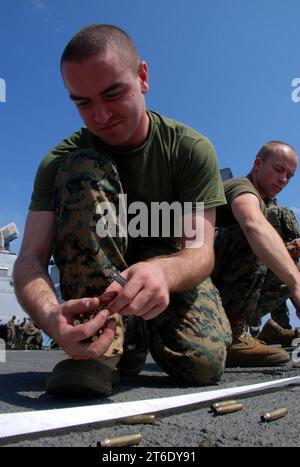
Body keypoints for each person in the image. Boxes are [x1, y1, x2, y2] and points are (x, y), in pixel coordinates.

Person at [13, 24, 232, 397]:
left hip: (168, 269)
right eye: (82, 102)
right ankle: (101, 345)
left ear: (143, 77)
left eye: (113, 94)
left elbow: (199, 251)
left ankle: (136, 334)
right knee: (82, 167)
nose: (100, 117)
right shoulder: (59, 161)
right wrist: (50, 316)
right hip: (102, 276)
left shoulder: (189, 149)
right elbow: (30, 259)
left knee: (201, 363)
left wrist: (164, 270)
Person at [212, 141, 300, 366]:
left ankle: (262, 329)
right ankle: (232, 336)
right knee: (259, 237)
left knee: (287, 263)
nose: (283, 180)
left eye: (289, 175)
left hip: (227, 285)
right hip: (198, 284)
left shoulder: (267, 200)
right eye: (279, 170)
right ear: (258, 164)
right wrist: (296, 284)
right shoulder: (242, 187)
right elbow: (252, 225)